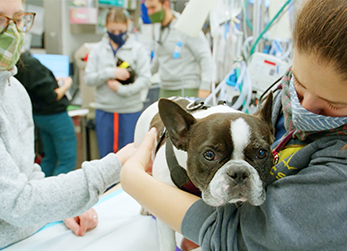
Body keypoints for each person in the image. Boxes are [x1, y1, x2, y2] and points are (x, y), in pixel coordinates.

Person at [121, 0, 347, 251]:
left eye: (333, 105)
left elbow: (244, 243)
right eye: (297, 83)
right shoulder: (279, 102)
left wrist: (138, 184)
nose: (303, 108)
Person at [0, 0, 136, 251]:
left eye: (18, 19)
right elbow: (19, 203)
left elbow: (28, 174)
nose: (11, 32)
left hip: (32, 240)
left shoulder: (14, 90)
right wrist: (114, 166)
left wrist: (59, 209)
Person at [84, 8, 151, 158]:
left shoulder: (137, 50)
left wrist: (121, 90)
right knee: (106, 158)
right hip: (105, 110)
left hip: (130, 111)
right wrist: (110, 72)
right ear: (106, 26)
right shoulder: (97, 50)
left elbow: (145, 79)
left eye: (120, 30)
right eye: (112, 30)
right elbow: (88, 78)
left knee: (130, 157)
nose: (116, 34)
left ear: (127, 25)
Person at [15, 51, 77, 176]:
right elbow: (52, 96)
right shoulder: (30, 63)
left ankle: (41, 187)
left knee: (50, 157)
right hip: (55, 116)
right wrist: (66, 85)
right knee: (67, 159)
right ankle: (60, 192)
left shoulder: (17, 64)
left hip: (39, 116)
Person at [145, 0, 214, 99]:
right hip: (165, 89)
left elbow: (205, 57)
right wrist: (141, 76)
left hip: (186, 89)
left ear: (166, 4)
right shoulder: (158, 28)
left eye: (153, 8)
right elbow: (158, 61)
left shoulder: (186, 26)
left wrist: (205, 86)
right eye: (148, 8)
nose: (150, 12)